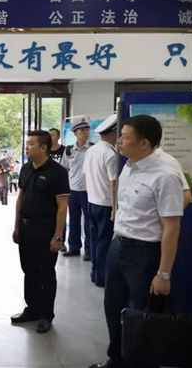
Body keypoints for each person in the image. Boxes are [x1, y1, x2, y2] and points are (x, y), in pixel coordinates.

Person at [90, 115, 184, 368]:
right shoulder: (129, 166)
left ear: (144, 143)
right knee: (113, 306)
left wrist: (163, 274)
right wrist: (116, 234)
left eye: (125, 137)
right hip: (119, 246)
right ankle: (116, 358)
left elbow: (172, 228)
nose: (119, 141)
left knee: (145, 314)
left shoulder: (165, 174)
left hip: (145, 252)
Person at [11, 131, 70, 334]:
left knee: (45, 272)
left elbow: (62, 206)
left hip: (46, 230)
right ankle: (32, 309)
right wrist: (16, 226)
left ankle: (46, 315)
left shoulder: (57, 172)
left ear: (44, 147)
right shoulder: (26, 168)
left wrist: (58, 236)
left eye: (31, 144)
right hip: (26, 228)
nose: (27, 147)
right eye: (26, 143)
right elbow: (20, 198)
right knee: (29, 271)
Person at [83, 114, 118, 288]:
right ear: (112, 134)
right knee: (104, 241)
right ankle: (101, 277)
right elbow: (113, 183)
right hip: (105, 204)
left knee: (95, 239)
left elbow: (84, 176)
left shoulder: (91, 150)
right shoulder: (110, 153)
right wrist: (115, 208)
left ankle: (95, 272)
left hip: (92, 201)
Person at [61, 118, 92, 260]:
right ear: (75, 133)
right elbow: (65, 169)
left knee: (89, 221)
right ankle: (74, 247)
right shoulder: (68, 150)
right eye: (82, 130)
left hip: (88, 190)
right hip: (73, 190)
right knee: (73, 220)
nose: (85, 132)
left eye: (87, 130)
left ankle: (89, 249)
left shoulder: (92, 149)